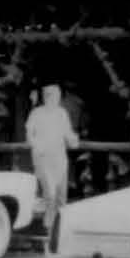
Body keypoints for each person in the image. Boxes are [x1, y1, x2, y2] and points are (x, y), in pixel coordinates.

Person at [25, 84, 78, 231]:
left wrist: (73, 139)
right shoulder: (36, 113)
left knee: (61, 196)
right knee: (50, 195)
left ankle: (62, 228)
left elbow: (68, 133)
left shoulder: (62, 113)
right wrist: (38, 148)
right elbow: (29, 136)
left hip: (59, 158)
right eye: (49, 95)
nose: (53, 98)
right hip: (44, 159)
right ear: (45, 97)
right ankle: (49, 230)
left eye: (55, 95)